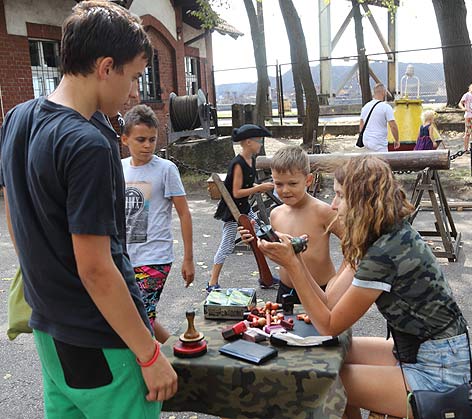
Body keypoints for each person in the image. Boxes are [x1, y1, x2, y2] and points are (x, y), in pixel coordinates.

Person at [0, 2, 177, 417]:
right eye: (134, 77)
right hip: (102, 338)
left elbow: (16, 219)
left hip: (49, 331)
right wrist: (149, 354)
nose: (135, 91)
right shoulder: (88, 144)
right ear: (105, 66)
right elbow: (97, 269)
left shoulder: (17, 119)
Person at [259, 155, 472, 418]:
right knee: (330, 353)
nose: (332, 205)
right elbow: (329, 299)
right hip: (426, 351)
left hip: (442, 372)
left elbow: (329, 325)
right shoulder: (380, 235)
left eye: (340, 196)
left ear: (363, 201)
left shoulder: (385, 252)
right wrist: (295, 258)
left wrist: (292, 267)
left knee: (322, 381)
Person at [121, 104, 195, 344]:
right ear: (125, 139)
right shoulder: (117, 168)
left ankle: (158, 368)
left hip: (155, 257)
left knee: (141, 319)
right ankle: (178, 353)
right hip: (125, 257)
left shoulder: (166, 169)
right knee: (140, 315)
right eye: (140, 139)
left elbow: (184, 213)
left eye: (152, 140)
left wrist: (188, 258)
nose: (147, 145)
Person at [258, 145, 345, 303]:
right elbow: (278, 252)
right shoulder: (275, 214)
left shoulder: (323, 211)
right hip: (286, 290)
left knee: (322, 328)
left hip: (320, 290)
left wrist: (340, 280)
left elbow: (353, 244)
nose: (285, 190)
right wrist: (256, 239)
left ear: (308, 180)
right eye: (279, 184)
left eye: (292, 184)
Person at [208, 124, 275, 292]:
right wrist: (259, 188)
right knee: (227, 244)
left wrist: (260, 186)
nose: (260, 144)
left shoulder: (251, 160)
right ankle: (212, 282)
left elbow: (247, 184)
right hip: (234, 211)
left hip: (245, 207)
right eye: (258, 141)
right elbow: (237, 192)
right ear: (248, 142)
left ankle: (265, 276)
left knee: (262, 233)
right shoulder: (237, 164)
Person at [359, 83, 400, 152]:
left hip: (366, 141)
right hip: (379, 142)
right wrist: (396, 140)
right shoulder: (386, 107)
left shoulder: (365, 106)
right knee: (382, 161)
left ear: (374, 93)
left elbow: (361, 125)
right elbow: (393, 126)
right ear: (384, 92)